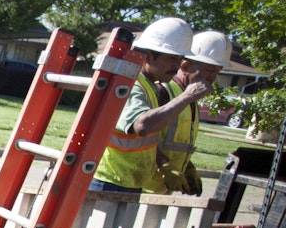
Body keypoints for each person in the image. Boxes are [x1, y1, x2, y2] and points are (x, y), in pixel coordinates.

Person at [90, 17, 211, 193]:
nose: (176, 66)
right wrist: (187, 97)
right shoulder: (133, 85)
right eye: (171, 59)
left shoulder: (148, 86)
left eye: (179, 60)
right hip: (110, 180)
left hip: (128, 181)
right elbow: (143, 126)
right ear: (148, 56)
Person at [143, 31, 233, 196]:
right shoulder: (164, 92)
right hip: (144, 186)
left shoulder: (190, 99)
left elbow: (172, 142)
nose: (213, 78)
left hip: (161, 190)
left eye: (217, 72)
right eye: (209, 70)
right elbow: (142, 134)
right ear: (185, 67)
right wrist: (164, 164)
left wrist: (188, 167)